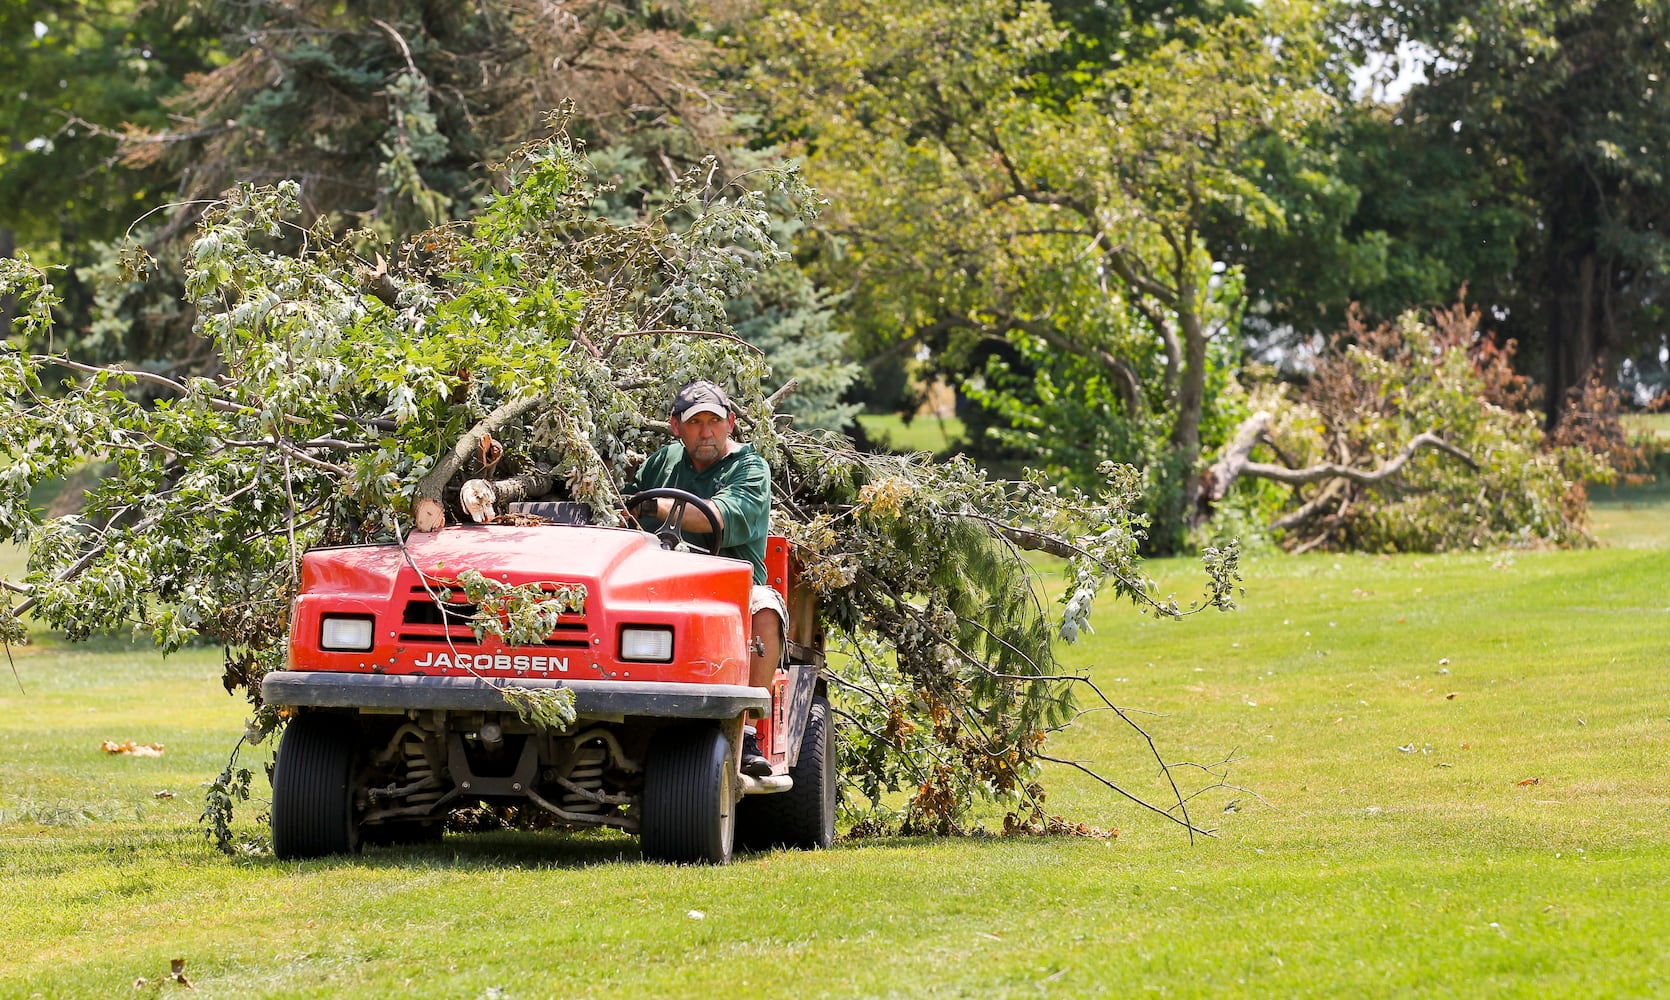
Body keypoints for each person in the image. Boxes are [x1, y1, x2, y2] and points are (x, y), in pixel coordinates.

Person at [626, 379, 784, 777]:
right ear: (676, 426)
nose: (706, 431)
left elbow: (717, 518)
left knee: (765, 609)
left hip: (730, 587)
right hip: (662, 580)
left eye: (715, 420)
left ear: (731, 422)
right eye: (696, 423)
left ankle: (746, 731)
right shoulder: (663, 463)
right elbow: (624, 509)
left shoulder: (750, 468)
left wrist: (653, 505)